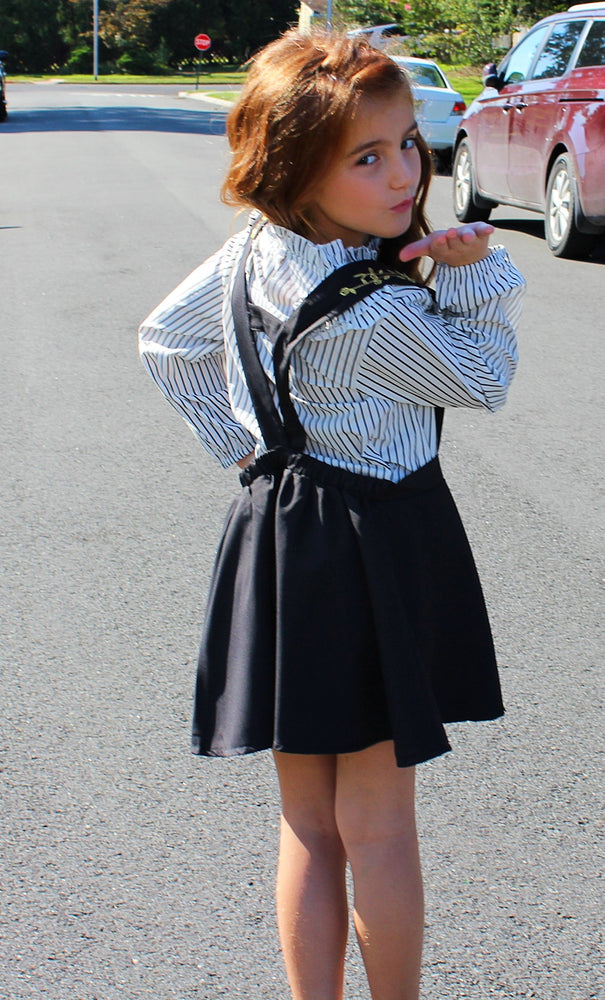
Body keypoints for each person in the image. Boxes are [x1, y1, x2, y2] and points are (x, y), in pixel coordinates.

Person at [138, 29, 525, 1000]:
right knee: (380, 825)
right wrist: (473, 273)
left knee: (308, 823)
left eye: (406, 145)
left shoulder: (255, 253)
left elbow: (167, 343)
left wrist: (246, 444)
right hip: (371, 538)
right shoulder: (371, 312)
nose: (402, 173)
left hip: (279, 529)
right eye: (366, 156)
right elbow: (480, 378)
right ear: (293, 170)